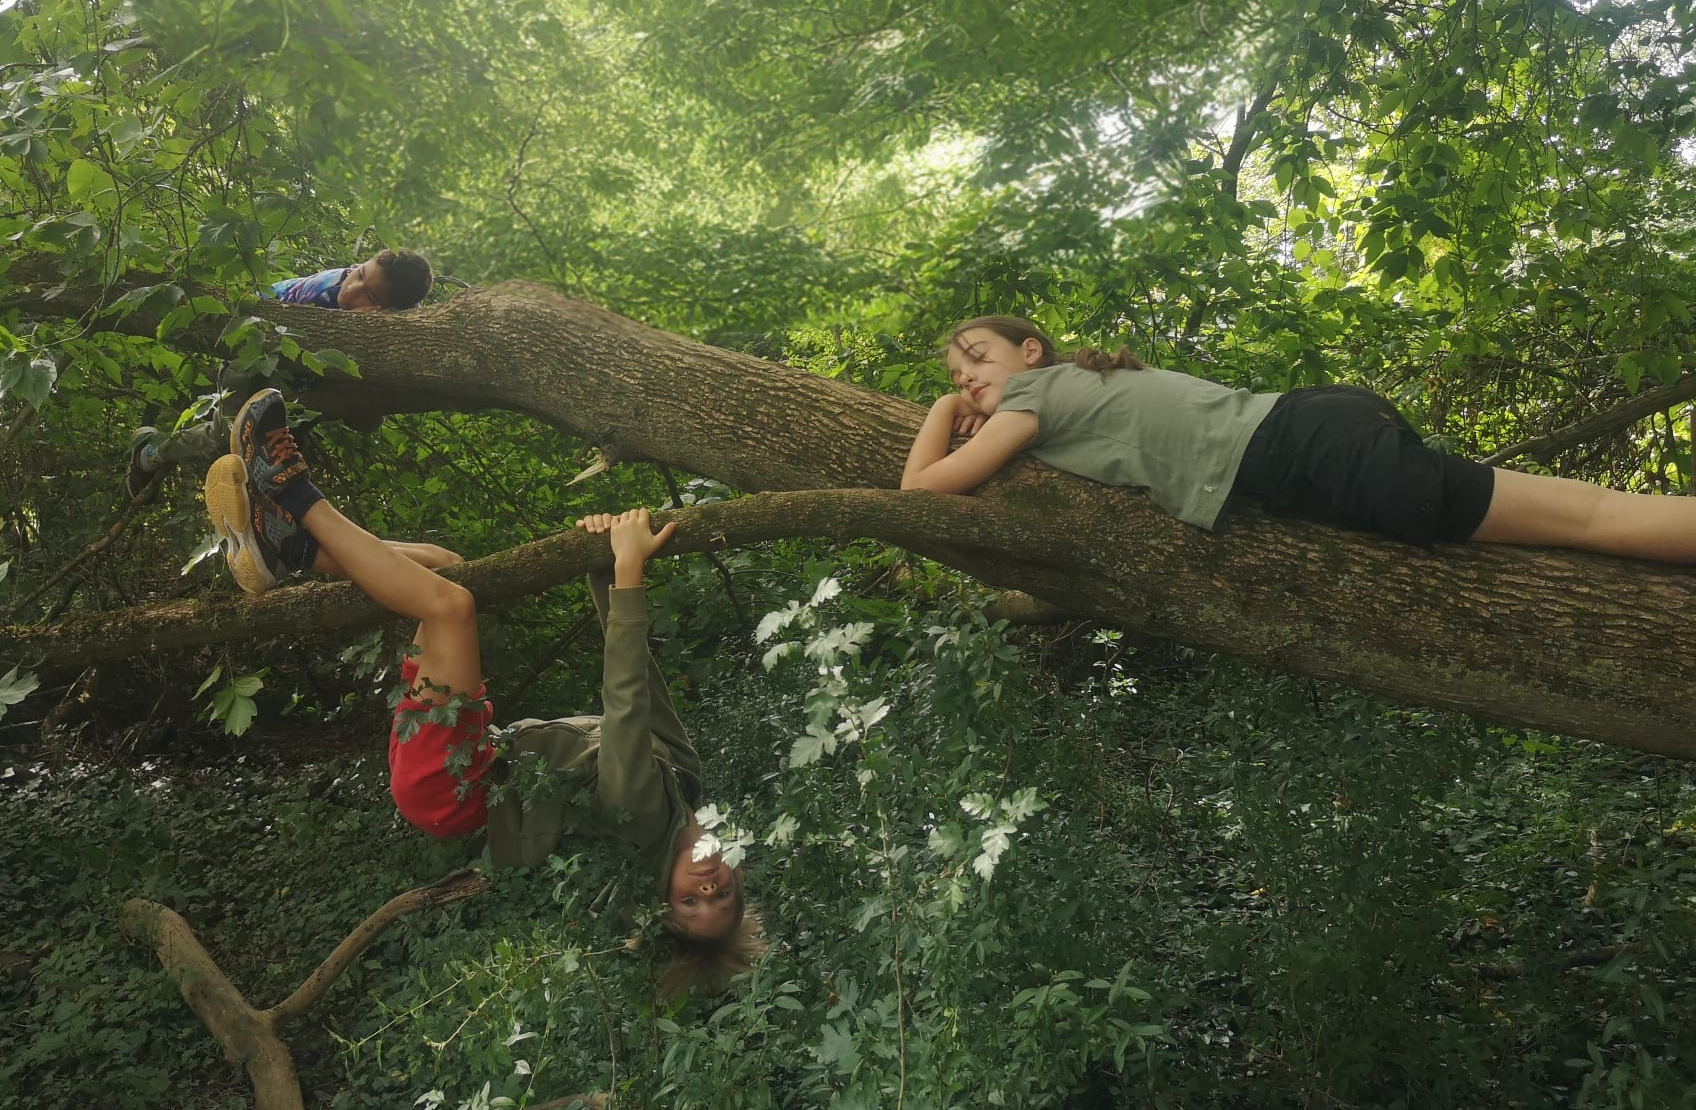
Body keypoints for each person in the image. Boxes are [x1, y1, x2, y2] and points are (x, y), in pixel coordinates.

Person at [202, 389, 763, 994]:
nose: (707, 891)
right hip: (472, 754)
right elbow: (645, 686)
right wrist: (605, 567)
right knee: (447, 567)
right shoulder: (687, 780)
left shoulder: (643, 827)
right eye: (722, 896)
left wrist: (630, 574)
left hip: (456, 787)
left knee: (450, 607)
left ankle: (289, 489)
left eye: (691, 906)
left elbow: (624, 708)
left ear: (661, 898)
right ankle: (289, 552)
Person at [902, 315, 1696, 561]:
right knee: (1588, 511)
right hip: (1313, 425)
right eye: (957, 374)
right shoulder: (1073, 389)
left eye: (975, 362)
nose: (968, 378)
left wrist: (940, 412)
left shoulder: (1032, 400)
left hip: (1307, 448)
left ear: (1029, 353)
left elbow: (919, 493)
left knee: (1591, 525)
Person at [126, 248, 435, 497]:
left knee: (369, 415)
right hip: (251, 354)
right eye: (359, 274)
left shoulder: (393, 302)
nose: (351, 288)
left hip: (297, 370)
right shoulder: (321, 300)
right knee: (227, 435)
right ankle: (150, 451)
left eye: (369, 296)